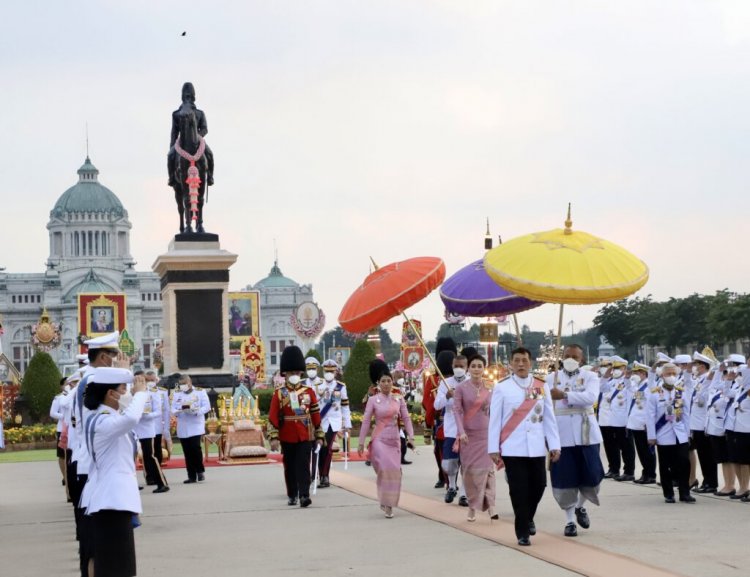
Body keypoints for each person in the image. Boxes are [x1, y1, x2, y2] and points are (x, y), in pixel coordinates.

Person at [80, 367, 148, 577]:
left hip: (116, 502)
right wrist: (141, 393)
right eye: (123, 389)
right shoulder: (102, 421)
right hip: (111, 503)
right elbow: (131, 418)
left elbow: (128, 417)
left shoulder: (106, 417)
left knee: (121, 567)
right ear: (110, 394)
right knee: (116, 568)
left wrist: (122, 368)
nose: (127, 393)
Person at [489, 348, 561, 545]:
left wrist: (554, 445)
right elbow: (494, 420)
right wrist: (493, 448)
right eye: (517, 360)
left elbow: (549, 418)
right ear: (510, 363)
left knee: (539, 485)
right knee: (519, 490)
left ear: (530, 363)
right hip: (513, 447)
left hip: (537, 446)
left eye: (524, 360)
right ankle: (522, 532)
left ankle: (528, 517)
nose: (521, 364)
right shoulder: (502, 387)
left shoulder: (540, 386)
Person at [548, 344, 605, 537]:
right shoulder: (551, 379)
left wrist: (564, 395)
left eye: (575, 356)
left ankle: (581, 505)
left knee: (593, 475)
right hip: (562, 435)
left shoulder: (591, 377)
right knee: (566, 479)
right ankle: (570, 520)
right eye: (567, 356)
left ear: (582, 360)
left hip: (586, 432)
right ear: (561, 357)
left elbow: (590, 398)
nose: (571, 359)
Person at [267, 346, 325, 507]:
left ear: (301, 373)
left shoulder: (309, 392)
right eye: (291, 373)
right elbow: (272, 417)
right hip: (287, 434)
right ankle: (292, 493)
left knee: (303, 465)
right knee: (290, 466)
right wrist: (274, 437)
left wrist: (319, 435)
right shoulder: (279, 393)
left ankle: (304, 495)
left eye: (297, 373)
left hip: (305, 434)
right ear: (285, 373)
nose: (294, 375)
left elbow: (315, 415)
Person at [358, 360, 415, 518]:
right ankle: (385, 500)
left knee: (394, 472)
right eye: (383, 381)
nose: (386, 384)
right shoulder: (372, 400)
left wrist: (411, 436)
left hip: (394, 439)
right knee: (384, 469)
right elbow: (366, 421)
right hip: (379, 439)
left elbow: (406, 418)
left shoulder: (398, 398)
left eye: (389, 381)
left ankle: (389, 503)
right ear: (378, 383)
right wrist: (361, 442)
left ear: (392, 382)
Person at [453, 354, 496, 523]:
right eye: (474, 366)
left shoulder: (491, 386)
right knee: (470, 474)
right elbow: (456, 410)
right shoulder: (461, 388)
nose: (477, 369)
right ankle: (472, 507)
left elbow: (496, 410)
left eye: (480, 366)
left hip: (486, 435)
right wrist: (461, 431)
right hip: (468, 437)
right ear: (468, 368)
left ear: (484, 368)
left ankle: (491, 506)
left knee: (488, 471)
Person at [646, 362, 695, 503]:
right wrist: (652, 436)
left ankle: (685, 493)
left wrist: (687, 433)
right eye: (668, 373)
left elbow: (686, 414)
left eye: (674, 373)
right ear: (662, 375)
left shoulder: (681, 392)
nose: (671, 376)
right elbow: (650, 416)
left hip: (680, 435)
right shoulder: (655, 394)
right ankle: (668, 493)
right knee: (665, 465)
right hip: (663, 435)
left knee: (684, 464)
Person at [422, 337, 457, 489]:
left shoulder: (433, 380)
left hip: (441, 422)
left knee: (441, 451)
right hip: (452, 421)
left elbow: (427, 403)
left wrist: (428, 425)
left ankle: (448, 481)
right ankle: (446, 479)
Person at [434, 354, 469, 505]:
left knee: (466, 463)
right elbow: (437, 405)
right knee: (449, 463)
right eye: (456, 366)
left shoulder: (472, 382)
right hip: (450, 429)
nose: (458, 369)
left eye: (462, 366)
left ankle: (464, 494)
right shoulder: (445, 383)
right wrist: (447, 396)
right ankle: (452, 486)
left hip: (468, 429)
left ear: (467, 367)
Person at [168, 82, 214, 186]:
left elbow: (204, 128)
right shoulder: (176, 114)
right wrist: (172, 147)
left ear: (193, 96)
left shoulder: (199, 113)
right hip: (181, 143)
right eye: (186, 95)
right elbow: (174, 132)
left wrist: (197, 136)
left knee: (210, 154)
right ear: (183, 96)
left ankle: (210, 176)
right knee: (170, 155)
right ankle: (171, 178)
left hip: (198, 142)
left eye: (190, 95)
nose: (188, 97)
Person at [599, 357, 636, 481]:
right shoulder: (612, 382)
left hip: (624, 421)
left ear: (625, 368)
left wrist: (627, 378)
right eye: (614, 368)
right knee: (612, 447)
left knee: (627, 448)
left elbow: (631, 391)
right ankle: (614, 469)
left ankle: (629, 471)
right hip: (613, 421)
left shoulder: (628, 381)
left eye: (618, 368)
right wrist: (605, 374)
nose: (615, 371)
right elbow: (602, 388)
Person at [316, 359, 352, 487]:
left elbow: (345, 406)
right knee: (319, 449)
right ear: (323, 371)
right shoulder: (318, 385)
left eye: (331, 371)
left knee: (327, 448)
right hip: (320, 421)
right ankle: (318, 474)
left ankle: (325, 476)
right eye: (327, 371)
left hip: (333, 422)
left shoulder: (341, 387)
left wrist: (347, 424)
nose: (329, 373)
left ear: (335, 372)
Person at [686, 352, 718, 493]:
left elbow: (704, 399)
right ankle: (706, 481)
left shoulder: (709, 380)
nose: (694, 367)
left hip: (703, 425)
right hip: (695, 424)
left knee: (708, 456)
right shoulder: (698, 380)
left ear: (703, 366)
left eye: (697, 365)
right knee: (702, 455)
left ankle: (711, 483)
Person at [133, 370, 169, 493]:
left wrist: (147, 416)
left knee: (149, 456)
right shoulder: (131, 393)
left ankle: (161, 483)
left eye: (144, 380)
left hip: (147, 428)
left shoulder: (153, 393)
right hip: (133, 428)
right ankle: (132, 484)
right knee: (130, 457)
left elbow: (158, 411)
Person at [171, 374, 210, 484]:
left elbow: (206, 406)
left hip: (195, 424)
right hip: (183, 425)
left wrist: (196, 411)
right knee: (187, 452)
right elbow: (173, 408)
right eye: (181, 384)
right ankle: (191, 476)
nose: (183, 386)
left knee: (195, 448)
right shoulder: (177, 394)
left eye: (185, 383)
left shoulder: (200, 392)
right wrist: (177, 411)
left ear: (190, 382)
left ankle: (200, 471)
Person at [626, 362, 657, 484]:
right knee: (641, 451)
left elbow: (649, 407)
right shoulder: (638, 385)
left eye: (637, 372)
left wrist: (647, 423)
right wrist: (627, 378)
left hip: (644, 424)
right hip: (636, 423)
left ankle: (651, 475)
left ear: (644, 373)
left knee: (648, 451)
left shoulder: (648, 386)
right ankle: (645, 473)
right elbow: (629, 389)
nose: (636, 374)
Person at [50, 378, 68, 489]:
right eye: (66, 384)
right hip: (62, 429)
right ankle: (65, 477)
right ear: (61, 386)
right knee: (62, 455)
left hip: (73, 429)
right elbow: (52, 413)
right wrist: (64, 417)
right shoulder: (59, 398)